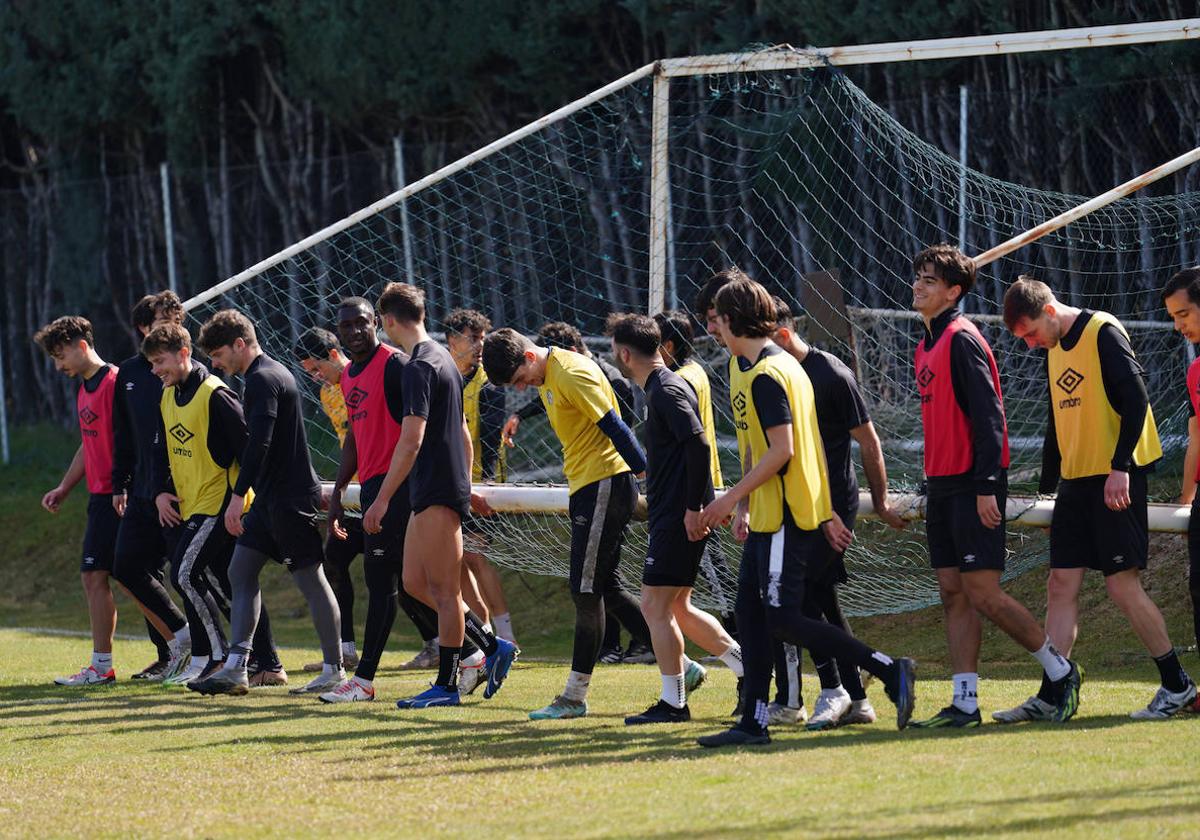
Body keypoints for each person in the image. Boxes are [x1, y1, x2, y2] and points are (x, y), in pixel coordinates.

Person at [694, 271, 917, 748]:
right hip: (776, 517)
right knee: (751, 617)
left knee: (781, 619)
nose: (713, 330)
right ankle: (753, 721)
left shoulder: (771, 374)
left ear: (732, 320)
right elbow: (795, 446)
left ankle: (888, 670)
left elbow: (785, 451)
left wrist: (732, 498)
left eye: (716, 321)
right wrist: (751, 507)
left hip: (786, 521)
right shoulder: (761, 366)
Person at [1003, 276, 1196, 720]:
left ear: (1049, 311)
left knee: (1120, 584)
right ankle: (1053, 693)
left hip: (1116, 478)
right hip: (1076, 482)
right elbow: (1058, 424)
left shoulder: (1102, 331)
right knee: (1060, 584)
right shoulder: (1053, 350)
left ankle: (1177, 685)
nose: (1031, 344)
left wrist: (1121, 468)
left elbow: (1136, 399)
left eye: (1031, 333)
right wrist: (1047, 491)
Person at [908, 247, 1081, 727]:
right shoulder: (924, 342)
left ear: (953, 292)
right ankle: (965, 702)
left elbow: (991, 419)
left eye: (929, 280)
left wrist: (987, 485)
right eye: (918, 277)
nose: (918, 286)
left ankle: (1059, 670)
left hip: (973, 485)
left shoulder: (963, 339)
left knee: (983, 591)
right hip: (941, 487)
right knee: (952, 592)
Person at [484, 326, 651, 719]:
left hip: (604, 485)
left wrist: (648, 479)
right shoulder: (550, 372)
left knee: (584, 590)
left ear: (529, 358)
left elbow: (615, 426)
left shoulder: (572, 371)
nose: (524, 388)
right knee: (604, 587)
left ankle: (574, 696)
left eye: (521, 380)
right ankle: (680, 662)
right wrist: (519, 415)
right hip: (587, 486)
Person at [364, 283, 518, 709]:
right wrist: (465, 485)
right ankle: (492, 644)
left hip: (433, 488)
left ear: (388, 321)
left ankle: (448, 685)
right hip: (434, 489)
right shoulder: (444, 360)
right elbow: (464, 432)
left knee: (446, 591)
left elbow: (410, 441)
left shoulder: (418, 367)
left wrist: (380, 500)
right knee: (414, 582)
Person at [770, 296, 912, 729]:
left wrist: (881, 501)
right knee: (818, 600)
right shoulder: (773, 373)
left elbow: (869, 441)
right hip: (797, 501)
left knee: (800, 602)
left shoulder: (830, 373)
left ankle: (838, 689)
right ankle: (857, 694)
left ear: (780, 334)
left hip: (831, 504)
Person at [187, 310, 344, 696]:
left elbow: (260, 443)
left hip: (291, 499)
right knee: (241, 570)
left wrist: (238, 496)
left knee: (310, 579)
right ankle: (238, 667)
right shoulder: (257, 378)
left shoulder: (263, 378)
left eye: (219, 354)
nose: (215, 363)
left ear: (240, 344)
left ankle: (334, 669)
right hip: (271, 498)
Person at [606, 313, 745, 725]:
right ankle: (747, 667)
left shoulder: (665, 389)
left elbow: (698, 445)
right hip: (672, 514)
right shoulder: (660, 388)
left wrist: (693, 508)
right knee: (678, 607)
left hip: (676, 516)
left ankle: (674, 703)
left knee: (653, 606)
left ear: (625, 353)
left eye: (614, 349)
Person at [317, 297, 455, 703]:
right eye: (347, 326)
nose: (355, 331)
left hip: (402, 488)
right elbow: (355, 442)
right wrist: (341, 492)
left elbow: (415, 433)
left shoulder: (397, 365)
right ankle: (479, 649)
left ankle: (363, 680)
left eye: (362, 323)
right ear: (339, 333)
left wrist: (394, 492)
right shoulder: (347, 378)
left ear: (377, 322)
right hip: (373, 489)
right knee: (411, 584)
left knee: (386, 583)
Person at [143, 322, 286, 689]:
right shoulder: (166, 396)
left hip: (220, 505)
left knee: (185, 574)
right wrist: (160, 491)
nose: (156, 370)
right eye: (152, 364)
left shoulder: (216, 395)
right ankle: (266, 662)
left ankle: (218, 658)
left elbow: (249, 450)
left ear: (184, 354)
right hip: (191, 505)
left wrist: (242, 498)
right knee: (227, 583)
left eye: (161, 362)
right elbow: (160, 451)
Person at [36, 316, 122, 685]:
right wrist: (64, 488)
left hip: (120, 495)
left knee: (125, 576)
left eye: (60, 356)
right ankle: (103, 665)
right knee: (98, 576)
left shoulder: (115, 383)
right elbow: (88, 446)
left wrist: (127, 486)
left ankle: (187, 649)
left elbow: (128, 443)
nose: (59, 366)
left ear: (82, 346)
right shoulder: (85, 388)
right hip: (99, 495)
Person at [110, 292, 190, 681]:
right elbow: (124, 434)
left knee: (199, 576)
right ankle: (177, 646)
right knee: (128, 566)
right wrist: (119, 484)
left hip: (182, 492)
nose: (170, 327)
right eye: (162, 321)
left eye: (174, 320)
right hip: (142, 491)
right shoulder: (127, 374)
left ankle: (259, 658)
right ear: (144, 327)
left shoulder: (192, 371)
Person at [653, 310, 738, 639]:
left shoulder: (681, 380)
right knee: (711, 576)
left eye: (653, 344)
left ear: (669, 346)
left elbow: (692, 445)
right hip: (702, 487)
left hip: (696, 492)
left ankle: (744, 645)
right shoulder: (695, 371)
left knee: (717, 577)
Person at [293, 326, 364, 672]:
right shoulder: (328, 392)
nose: (316, 377)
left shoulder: (361, 379)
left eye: (317, 368)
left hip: (383, 487)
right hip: (355, 493)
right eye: (309, 372)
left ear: (335, 355)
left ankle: (458, 644)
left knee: (404, 577)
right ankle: (347, 650)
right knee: (334, 560)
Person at [444, 308, 518, 644]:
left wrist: (486, 482)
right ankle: (482, 634)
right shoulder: (441, 375)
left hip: (481, 484)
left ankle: (506, 635)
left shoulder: (490, 384)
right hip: (447, 482)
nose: (479, 346)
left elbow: (490, 438)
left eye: (482, 339)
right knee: (454, 561)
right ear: (451, 340)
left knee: (475, 555)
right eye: (473, 339)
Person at [1162, 267, 1200, 712]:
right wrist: (1186, 502)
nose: (1179, 326)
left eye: (1184, 313)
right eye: (1173, 317)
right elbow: (1196, 438)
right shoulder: (1194, 372)